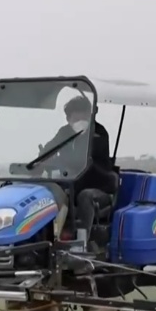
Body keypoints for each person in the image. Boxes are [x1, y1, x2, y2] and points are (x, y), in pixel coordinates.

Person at [41, 96, 117, 241]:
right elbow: (49, 149)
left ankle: (81, 243)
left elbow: (82, 158)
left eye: (81, 116)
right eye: (72, 118)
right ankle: (48, 239)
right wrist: (43, 157)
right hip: (72, 183)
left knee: (85, 196)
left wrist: (77, 140)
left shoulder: (98, 134)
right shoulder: (65, 132)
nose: (76, 121)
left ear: (89, 114)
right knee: (48, 192)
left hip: (99, 185)